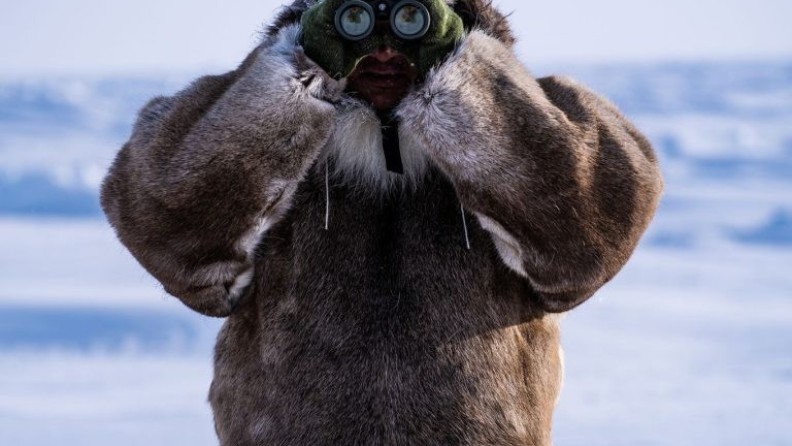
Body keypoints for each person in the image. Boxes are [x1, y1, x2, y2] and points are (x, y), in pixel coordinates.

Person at [100, 0, 663, 444]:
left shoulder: (537, 119)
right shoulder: (239, 119)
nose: (387, 51)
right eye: (356, 20)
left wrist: (467, 86)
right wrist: (290, 85)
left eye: (413, 19)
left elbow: (582, 254)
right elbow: (173, 237)